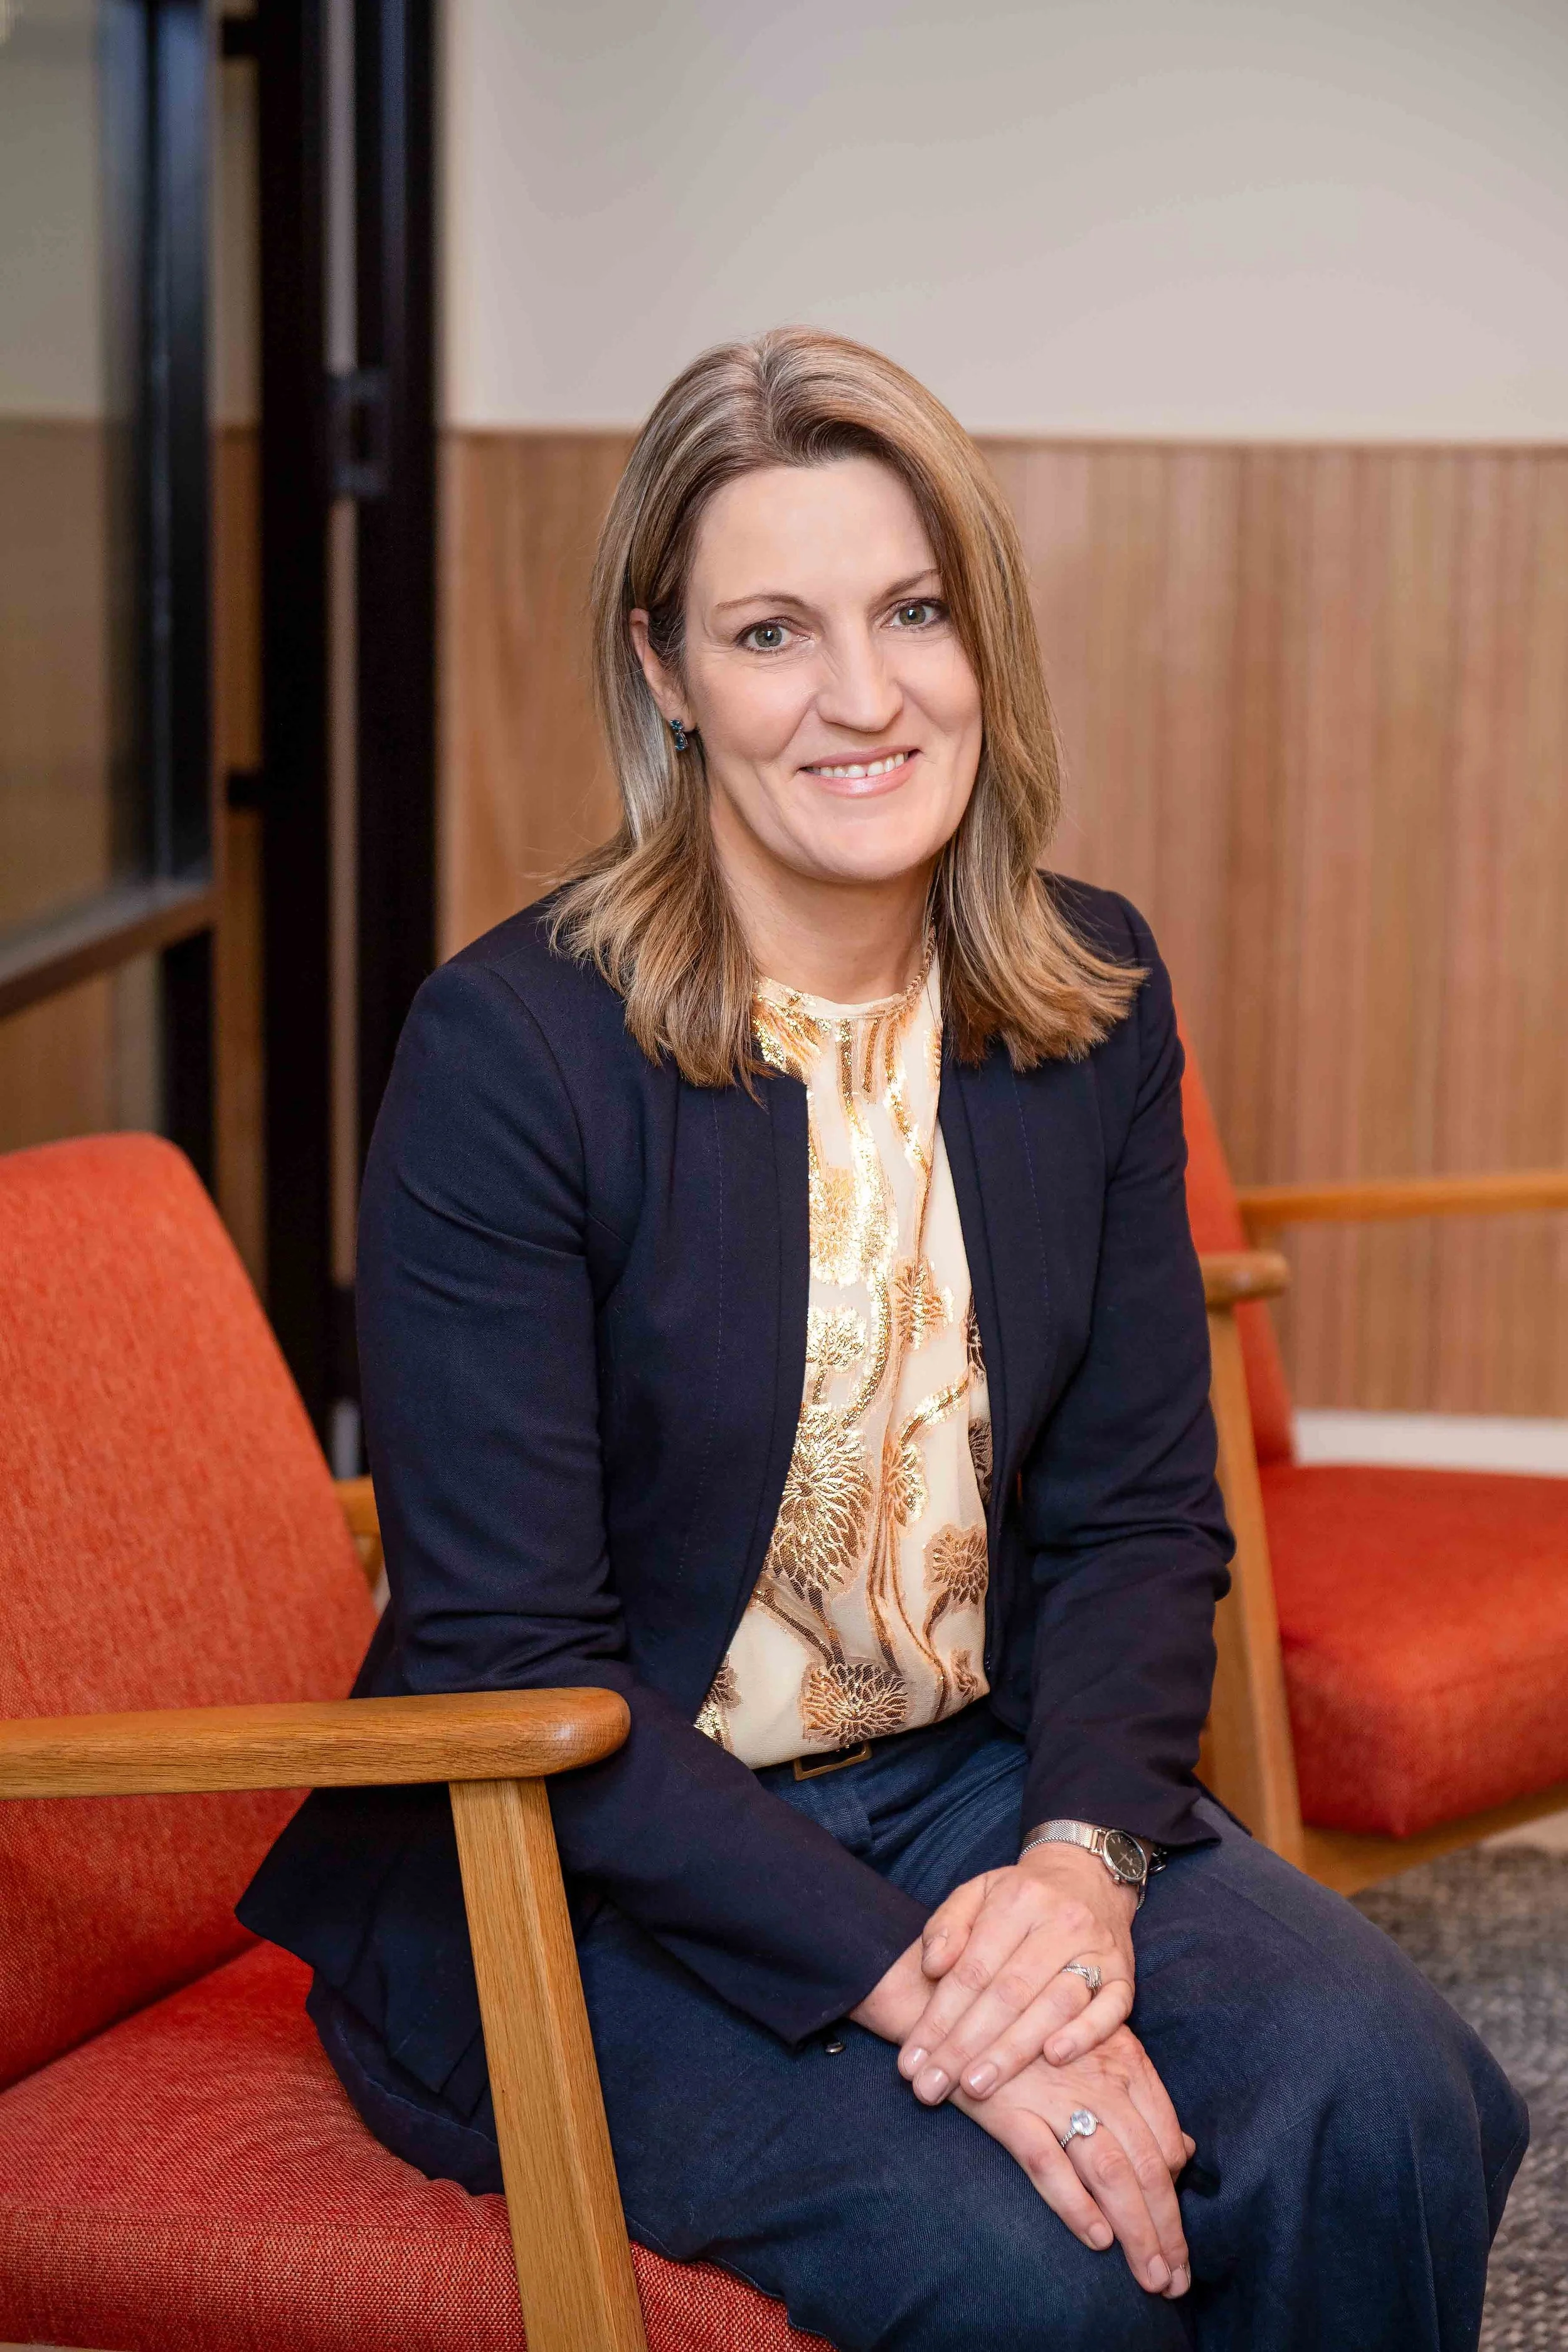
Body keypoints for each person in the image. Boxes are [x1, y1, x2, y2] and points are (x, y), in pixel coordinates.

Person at [240, 327, 1526, 2350]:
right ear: (663, 671)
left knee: (1385, 2096)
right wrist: (925, 1988)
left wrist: (1078, 1870)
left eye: (912, 610)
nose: (863, 695)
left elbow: (1133, 1520)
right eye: (771, 631)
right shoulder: (517, 1052)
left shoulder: (1083, 990)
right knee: (1022, 2271)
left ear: (981, 631)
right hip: (579, 1854)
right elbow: (521, 1673)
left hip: (974, 1776)